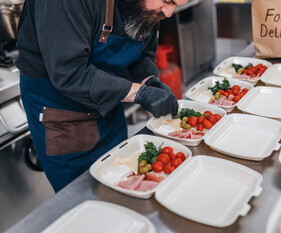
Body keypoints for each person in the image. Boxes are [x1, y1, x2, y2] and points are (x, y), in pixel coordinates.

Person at [16, 0, 187, 192]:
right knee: (85, 197)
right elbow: (70, 72)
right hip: (63, 115)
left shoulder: (148, 8)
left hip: (110, 104)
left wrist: (149, 81)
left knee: (122, 178)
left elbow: (143, 50)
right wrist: (139, 92)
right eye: (167, 1)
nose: (169, 12)